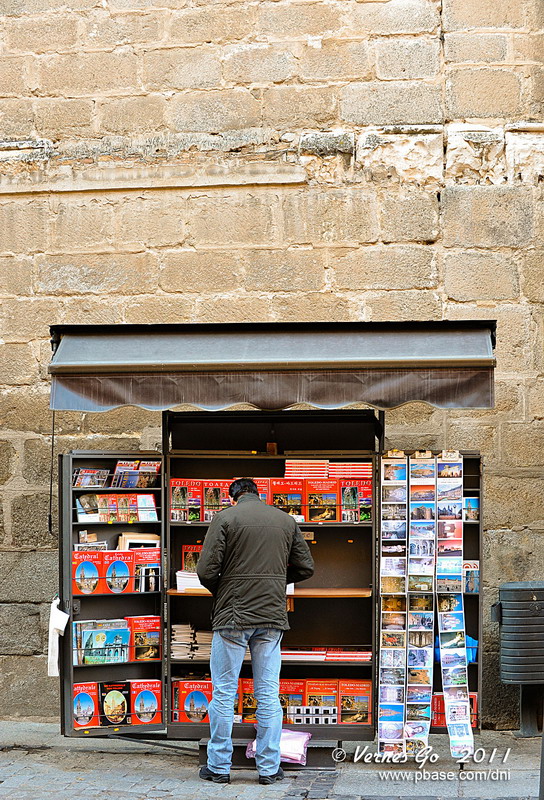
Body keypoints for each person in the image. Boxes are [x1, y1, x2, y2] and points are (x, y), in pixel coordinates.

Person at [196, 478, 314, 785]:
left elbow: (205, 571)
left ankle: (219, 768)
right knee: (267, 694)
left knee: (223, 692)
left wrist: (223, 590)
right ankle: (269, 768)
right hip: (272, 616)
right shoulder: (285, 520)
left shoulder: (225, 518)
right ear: (260, 495)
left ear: (233, 497)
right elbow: (306, 567)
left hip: (232, 617)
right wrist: (274, 581)